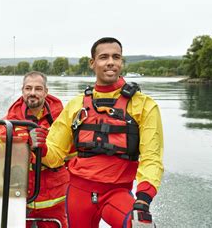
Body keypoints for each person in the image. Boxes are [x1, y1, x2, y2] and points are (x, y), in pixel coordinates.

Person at [32, 37, 164, 227]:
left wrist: (143, 199)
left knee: (139, 225)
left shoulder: (145, 106)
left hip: (116, 193)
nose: (110, 62)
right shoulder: (76, 105)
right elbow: (55, 155)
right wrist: (42, 147)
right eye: (104, 57)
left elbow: (152, 158)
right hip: (79, 193)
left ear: (121, 62)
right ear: (92, 63)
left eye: (116, 57)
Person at [0, 71, 69, 228]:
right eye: (28, 88)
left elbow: (68, 155)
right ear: (22, 91)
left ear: (46, 92)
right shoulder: (10, 119)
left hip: (54, 198)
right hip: (19, 195)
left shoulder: (61, 119)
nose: (32, 93)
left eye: (38, 89)